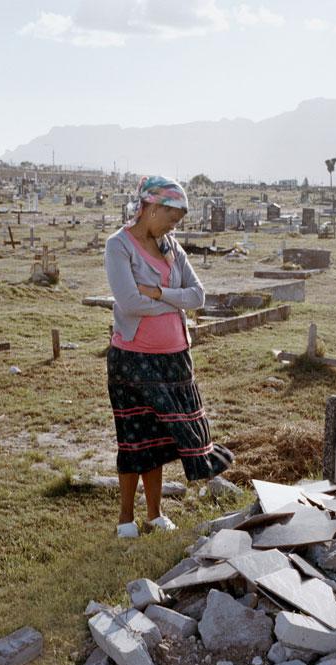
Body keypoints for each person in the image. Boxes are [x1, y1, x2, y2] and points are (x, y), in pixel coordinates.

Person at [105, 175, 233, 538]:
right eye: (171, 217)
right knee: (134, 439)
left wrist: (159, 293)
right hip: (133, 358)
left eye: (177, 221)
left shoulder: (172, 247)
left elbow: (199, 296)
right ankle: (126, 520)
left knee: (162, 440)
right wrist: (173, 296)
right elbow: (128, 303)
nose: (174, 226)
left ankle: (155, 514)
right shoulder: (119, 246)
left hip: (175, 359)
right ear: (150, 207)